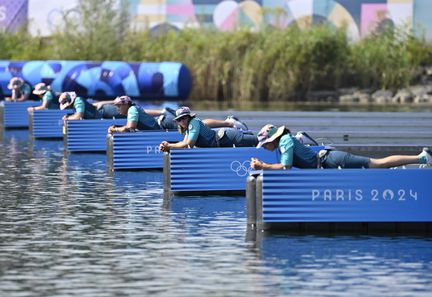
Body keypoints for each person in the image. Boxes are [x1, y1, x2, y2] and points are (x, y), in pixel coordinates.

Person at [251, 124, 432, 170]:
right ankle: (421, 158)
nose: (264, 147)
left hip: (331, 159)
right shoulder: (283, 142)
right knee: (376, 164)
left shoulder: (285, 141)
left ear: (272, 140)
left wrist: (263, 166)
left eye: (265, 144)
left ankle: (422, 157)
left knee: (377, 164)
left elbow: (285, 167)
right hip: (326, 161)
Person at [108, 98, 249, 134]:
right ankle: (228, 122)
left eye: (119, 105)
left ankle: (229, 123)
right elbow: (145, 113)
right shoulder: (133, 109)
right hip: (163, 121)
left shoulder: (131, 110)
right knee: (195, 126)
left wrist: (115, 129)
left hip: (165, 124)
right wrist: (161, 112)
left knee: (195, 125)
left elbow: (129, 127)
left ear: (126, 105)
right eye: (116, 106)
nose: (117, 108)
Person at [159, 106, 258, 151]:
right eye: (179, 120)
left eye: (184, 118)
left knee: (258, 140)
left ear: (189, 117)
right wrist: (168, 145)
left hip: (228, 137)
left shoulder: (193, 123)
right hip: (224, 140)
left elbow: (187, 145)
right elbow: (183, 143)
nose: (182, 121)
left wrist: (169, 146)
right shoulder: (188, 129)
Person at [59, 92, 125, 121]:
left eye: (66, 107)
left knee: (126, 113)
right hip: (102, 112)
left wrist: (67, 118)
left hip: (105, 111)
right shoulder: (76, 102)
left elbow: (78, 116)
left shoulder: (78, 101)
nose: (67, 108)